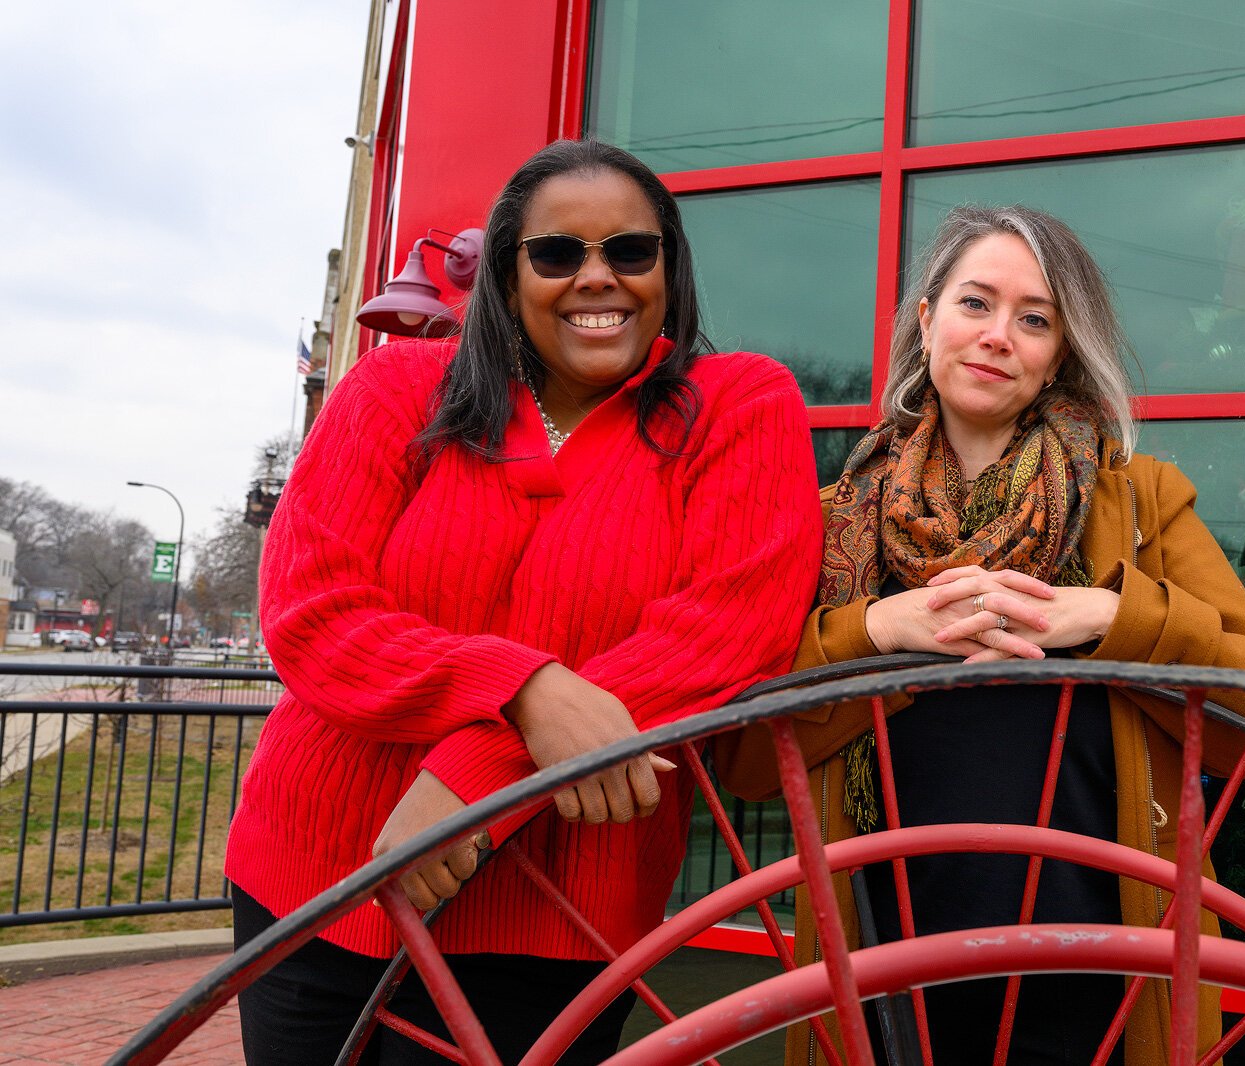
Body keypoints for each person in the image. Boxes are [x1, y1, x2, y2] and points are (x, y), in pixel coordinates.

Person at [225, 139, 822, 1064]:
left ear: (668, 266)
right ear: (509, 276)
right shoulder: (396, 388)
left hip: (558, 917)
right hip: (316, 875)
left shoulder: (736, 405)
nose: (598, 279)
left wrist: (475, 778)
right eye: (557, 254)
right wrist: (527, 690)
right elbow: (313, 610)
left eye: (630, 251)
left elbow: (730, 631)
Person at [715, 204, 1245, 1066]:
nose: (998, 337)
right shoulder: (838, 519)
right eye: (975, 304)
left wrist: (1109, 616)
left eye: (1035, 319)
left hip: (1104, 973)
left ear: (1062, 352)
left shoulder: (1137, 501)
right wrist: (879, 631)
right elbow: (748, 764)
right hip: (887, 975)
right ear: (927, 319)